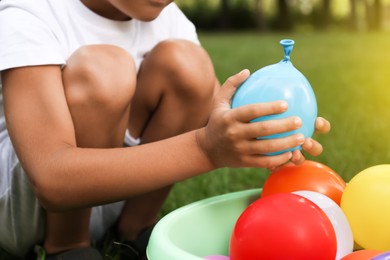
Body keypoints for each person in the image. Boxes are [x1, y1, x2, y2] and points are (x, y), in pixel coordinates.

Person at [0, 0, 331, 259]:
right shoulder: (31, 11)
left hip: (118, 187)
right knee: (105, 71)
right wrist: (205, 149)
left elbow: (219, 120)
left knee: (190, 64)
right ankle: (68, 245)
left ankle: (134, 229)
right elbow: (51, 179)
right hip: (29, 207)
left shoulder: (169, 19)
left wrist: (273, 130)